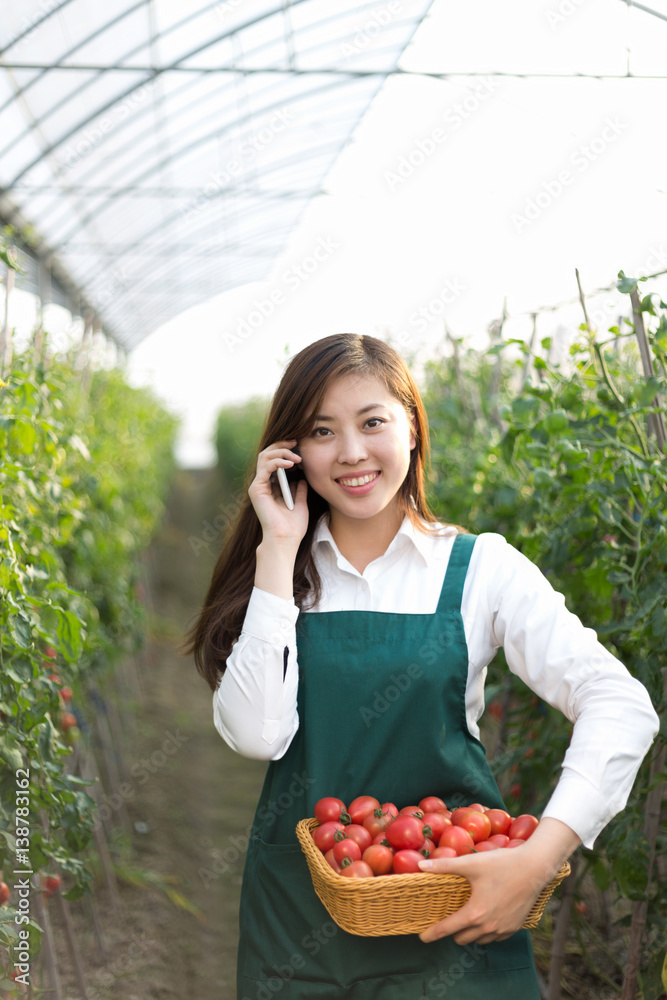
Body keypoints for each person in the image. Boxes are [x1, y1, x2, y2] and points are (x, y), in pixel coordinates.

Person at [186, 333, 659, 999]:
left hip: (458, 907)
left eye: (372, 421)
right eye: (321, 431)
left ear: (411, 425)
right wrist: (276, 547)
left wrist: (538, 856)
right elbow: (257, 736)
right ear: (292, 453)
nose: (351, 452)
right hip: (301, 912)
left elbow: (619, 702)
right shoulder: (278, 580)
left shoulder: (478, 570)